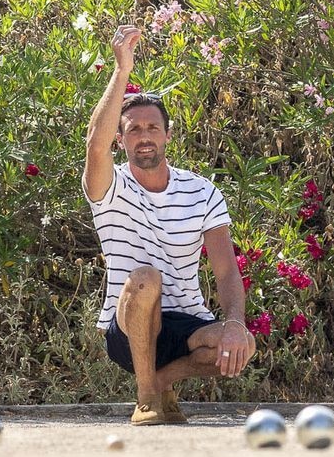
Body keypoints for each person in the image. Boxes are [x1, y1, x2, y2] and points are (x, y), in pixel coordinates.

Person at [82, 25, 256, 425]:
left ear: (168, 135)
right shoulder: (110, 187)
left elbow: (227, 271)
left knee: (241, 344)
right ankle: (147, 397)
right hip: (127, 328)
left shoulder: (201, 191)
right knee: (145, 279)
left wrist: (233, 324)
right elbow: (94, 144)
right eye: (133, 129)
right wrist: (121, 71)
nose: (144, 137)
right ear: (121, 139)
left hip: (186, 324)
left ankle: (162, 382)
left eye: (152, 128)